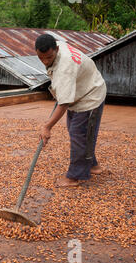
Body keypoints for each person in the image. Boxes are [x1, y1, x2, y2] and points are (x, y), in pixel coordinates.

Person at [35, 34, 106, 187]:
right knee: (80, 132)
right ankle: (93, 165)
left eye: (49, 57)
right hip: (81, 89)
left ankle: (74, 177)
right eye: (41, 58)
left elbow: (64, 103)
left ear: (57, 49)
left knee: (78, 134)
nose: (45, 62)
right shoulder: (57, 44)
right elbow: (64, 97)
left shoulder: (65, 69)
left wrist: (47, 127)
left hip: (90, 96)